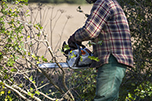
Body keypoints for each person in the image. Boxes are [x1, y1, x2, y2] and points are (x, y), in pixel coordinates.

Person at [68, 0, 134, 100]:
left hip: (112, 58)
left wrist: (74, 38)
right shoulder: (111, 3)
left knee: (105, 98)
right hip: (113, 58)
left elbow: (89, 31)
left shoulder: (103, 3)